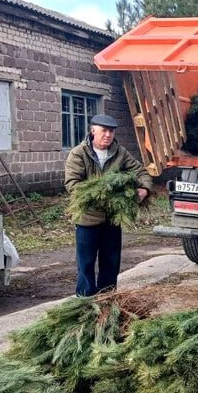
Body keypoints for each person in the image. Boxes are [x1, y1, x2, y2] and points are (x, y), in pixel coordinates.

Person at [64, 114, 152, 297]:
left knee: (111, 262)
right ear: (93, 131)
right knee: (86, 263)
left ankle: (107, 298)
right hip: (87, 219)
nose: (108, 135)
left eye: (111, 131)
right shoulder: (79, 153)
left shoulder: (120, 153)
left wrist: (144, 189)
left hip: (113, 218)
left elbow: (141, 172)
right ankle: (85, 301)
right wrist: (103, 194)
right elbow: (72, 183)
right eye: (104, 130)